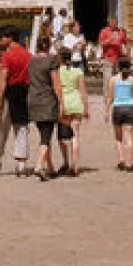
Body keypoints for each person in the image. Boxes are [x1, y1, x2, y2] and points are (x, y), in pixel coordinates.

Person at [0, 30, 32, 177]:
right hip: (24, 92)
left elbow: (3, 79)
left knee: (2, 128)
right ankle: (21, 164)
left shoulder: (7, 55)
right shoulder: (27, 55)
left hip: (10, 92)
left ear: (10, 38)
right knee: (22, 127)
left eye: (2, 37)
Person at [27, 36, 62, 181]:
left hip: (33, 100)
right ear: (48, 47)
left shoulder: (31, 61)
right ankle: (39, 165)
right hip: (47, 101)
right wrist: (61, 102)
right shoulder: (52, 61)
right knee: (46, 137)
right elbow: (56, 83)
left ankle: (51, 167)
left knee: (43, 134)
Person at [58, 47, 89, 176]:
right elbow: (82, 90)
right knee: (75, 135)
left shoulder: (57, 71)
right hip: (76, 102)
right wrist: (86, 107)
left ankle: (65, 162)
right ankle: (75, 166)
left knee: (62, 137)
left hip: (63, 103)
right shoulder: (78, 71)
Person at [107, 58, 133, 171]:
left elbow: (110, 97)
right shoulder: (132, 80)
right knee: (129, 137)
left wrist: (106, 111)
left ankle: (121, 159)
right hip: (129, 108)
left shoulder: (113, 79)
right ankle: (129, 163)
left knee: (118, 137)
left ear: (118, 67)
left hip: (117, 108)